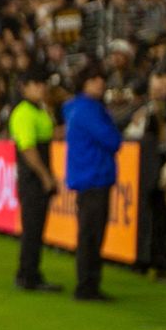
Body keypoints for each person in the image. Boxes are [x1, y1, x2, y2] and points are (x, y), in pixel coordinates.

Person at [61, 67, 122, 302]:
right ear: (85, 82)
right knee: (92, 235)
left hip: (86, 176)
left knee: (88, 233)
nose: (100, 83)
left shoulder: (75, 108)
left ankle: (87, 283)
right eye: (95, 79)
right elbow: (112, 140)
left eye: (101, 78)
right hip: (94, 176)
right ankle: (87, 285)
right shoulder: (89, 110)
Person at [10, 72, 59, 293]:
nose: (41, 87)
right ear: (25, 87)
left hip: (35, 177)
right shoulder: (24, 113)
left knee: (36, 228)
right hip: (32, 179)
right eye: (36, 83)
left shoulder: (39, 110)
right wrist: (45, 176)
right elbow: (28, 149)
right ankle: (28, 275)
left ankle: (30, 272)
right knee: (32, 228)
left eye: (42, 83)